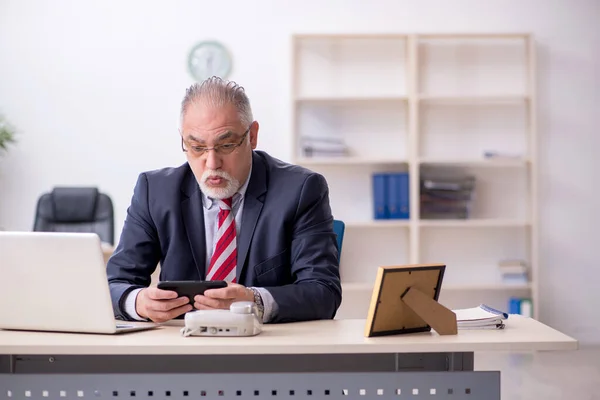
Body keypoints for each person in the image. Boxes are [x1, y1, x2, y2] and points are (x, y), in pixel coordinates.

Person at [106, 76, 342, 324]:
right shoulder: (154, 191)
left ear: (252, 136)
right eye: (196, 147)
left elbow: (323, 292)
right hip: (179, 347)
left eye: (226, 145)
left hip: (266, 349)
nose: (211, 163)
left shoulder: (301, 190)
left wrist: (255, 301)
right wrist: (137, 302)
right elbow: (114, 284)